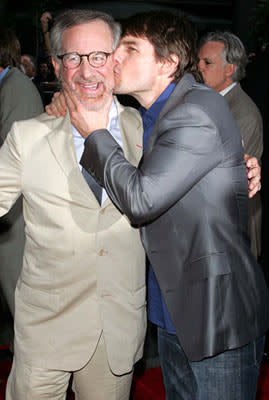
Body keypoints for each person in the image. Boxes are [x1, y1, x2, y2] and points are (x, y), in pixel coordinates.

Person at [56, 10, 269, 400]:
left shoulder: (193, 110)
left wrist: (96, 134)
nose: (115, 59)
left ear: (168, 63)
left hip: (215, 316)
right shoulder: (152, 114)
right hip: (175, 309)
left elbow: (141, 199)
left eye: (130, 49)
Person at [0, 10, 146, 400]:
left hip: (115, 327)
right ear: (56, 66)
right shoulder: (27, 136)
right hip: (45, 329)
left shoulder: (147, 129)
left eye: (98, 56)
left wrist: (240, 169)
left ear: (116, 61)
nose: (86, 71)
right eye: (73, 58)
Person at [198, 31, 263, 260]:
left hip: (233, 236)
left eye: (207, 62)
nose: (199, 67)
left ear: (229, 69)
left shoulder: (243, 114)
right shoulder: (210, 101)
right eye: (198, 60)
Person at [0, 27, 44, 348]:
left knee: (21, 301)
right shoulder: (9, 87)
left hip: (14, 217)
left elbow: (14, 159)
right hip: (8, 216)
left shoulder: (16, 89)